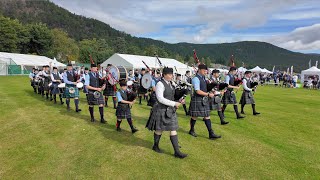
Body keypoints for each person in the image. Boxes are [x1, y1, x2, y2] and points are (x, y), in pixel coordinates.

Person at [146, 67, 187, 158]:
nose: (171, 76)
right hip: (161, 109)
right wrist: (174, 103)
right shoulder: (160, 84)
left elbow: (172, 96)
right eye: (169, 74)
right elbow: (160, 99)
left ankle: (177, 151)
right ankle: (155, 146)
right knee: (159, 129)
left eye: (172, 74)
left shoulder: (171, 83)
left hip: (170, 110)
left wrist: (179, 100)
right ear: (164, 75)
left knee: (173, 129)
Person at [188, 64, 221, 139]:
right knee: (194, 116)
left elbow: (205, 88)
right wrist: (208, 94)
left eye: (206, 71)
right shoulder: (196, 79)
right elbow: (197, 91)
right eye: (204, 70)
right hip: (197, 99)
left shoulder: (203, 78)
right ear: (199, 70)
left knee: (207, 116)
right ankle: (191, 130)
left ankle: (211, 133)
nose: (205, 72)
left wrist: (212, 90)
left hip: (204, 100)